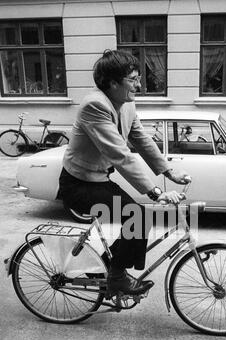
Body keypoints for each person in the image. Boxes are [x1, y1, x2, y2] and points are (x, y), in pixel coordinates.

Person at [59, 49, 190, 296]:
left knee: (138, 218)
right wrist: (156, 192)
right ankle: (117, 278)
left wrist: (169, 171)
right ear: (112, 82)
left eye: (139, 78)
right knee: (138, 217)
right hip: (78, 183)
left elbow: (140, 139)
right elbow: (120, 154)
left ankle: (111, 269)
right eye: (133, 79)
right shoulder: (94, 106)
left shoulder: (127, 104)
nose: (139, 85)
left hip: (98, 178)